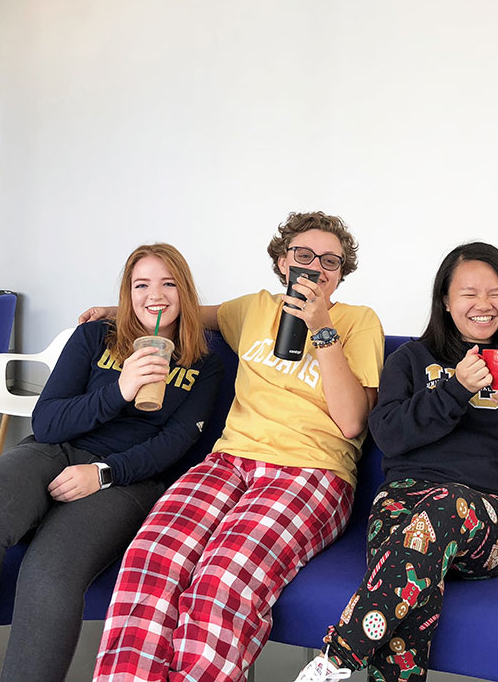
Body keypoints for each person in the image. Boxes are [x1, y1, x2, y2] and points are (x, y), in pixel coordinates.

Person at [84, 211, 384, 682]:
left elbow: (351, 423)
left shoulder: (359, 322)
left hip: (312, 471)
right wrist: (114, 310)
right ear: (283, 262)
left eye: (331, 261)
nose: (316, 267)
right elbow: (186, 309)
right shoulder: (252, 309)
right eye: (303, 255)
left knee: (222, 578)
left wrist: (322, 328)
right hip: (228, 460)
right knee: (150, 557)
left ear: (341, 273)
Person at [0, 243, 223, 682]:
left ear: (185, 291)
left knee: (51, 570)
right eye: (141, 284)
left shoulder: (204, 363)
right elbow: (47, 422)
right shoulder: (93, 337)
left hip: (127, 479)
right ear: (128, 292)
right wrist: (120, 389)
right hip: (54, 451)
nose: (154, 295)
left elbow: (172, 447)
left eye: (168, 283)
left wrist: (104, 473)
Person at [293, 241, 498, 682]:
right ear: (445, 300)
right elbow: (388, 436)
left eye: (496, 293)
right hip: (402, 510)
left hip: (495, 521)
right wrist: (454, 390)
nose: (484, 304)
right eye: (469, 293)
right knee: (414, 586)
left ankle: (338, 657)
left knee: (442, 510)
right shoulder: (410, 359)